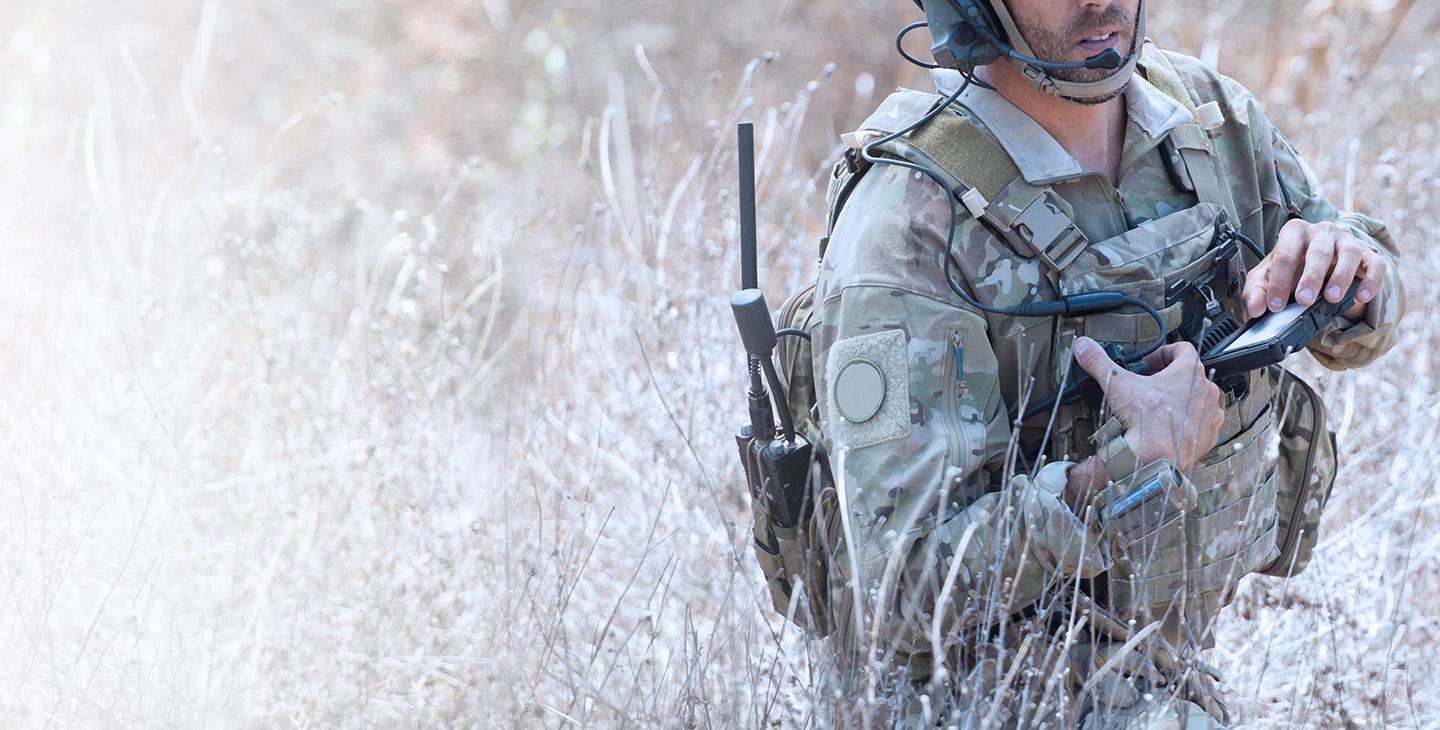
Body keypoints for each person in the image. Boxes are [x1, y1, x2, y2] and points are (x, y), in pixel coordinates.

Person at [805, 0, 1405, 725]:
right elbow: (896, 596)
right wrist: (1122, 472)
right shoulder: (904, 229)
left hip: (1160, 665)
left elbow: (1358, 335)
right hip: (984, 693)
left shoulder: (1208, 121)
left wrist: (1347, 267)